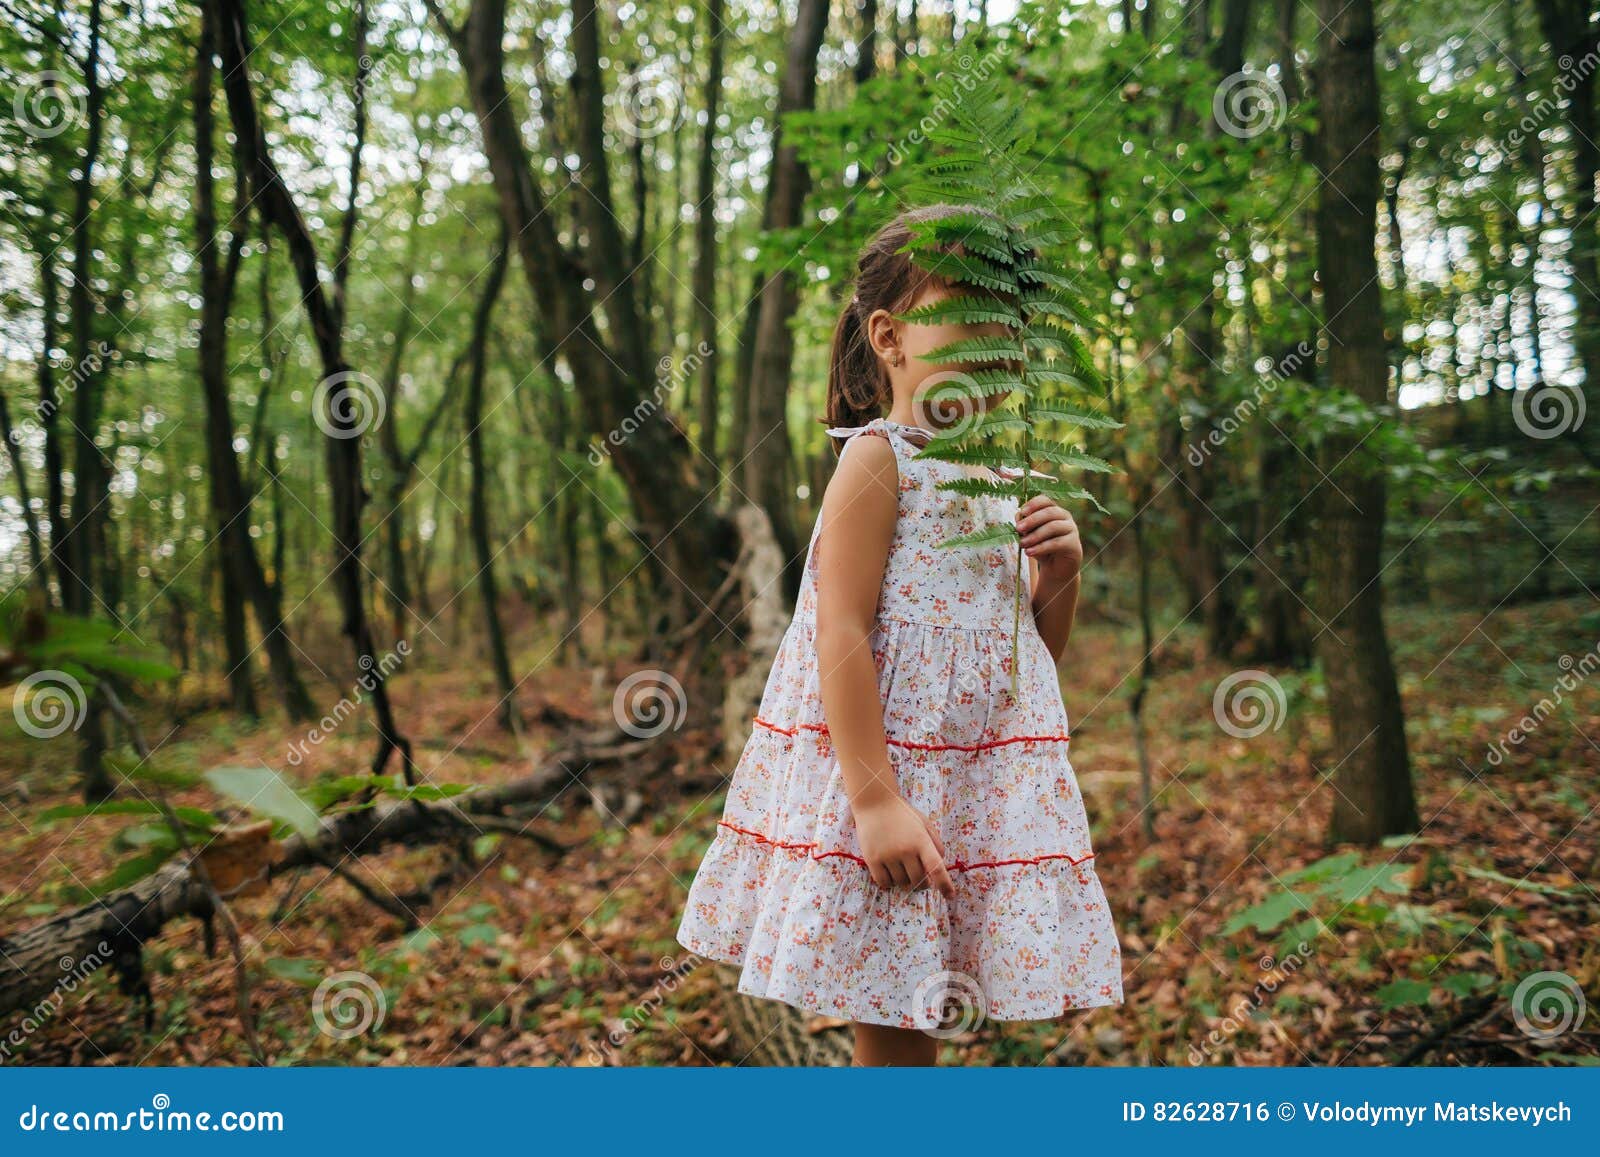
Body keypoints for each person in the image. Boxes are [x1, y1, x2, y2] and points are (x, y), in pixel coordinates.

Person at [676, 204, 1124, 1066]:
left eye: (1010, 333)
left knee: (926, 1001)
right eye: (972, 324)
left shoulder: (998, 478)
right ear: (891, 336)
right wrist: (875, 801)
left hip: (969, 785)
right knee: (894, 1016)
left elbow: (1021, 667)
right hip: (885, 779)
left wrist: (1058, 578)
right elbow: (835, 628)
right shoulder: (879, 459)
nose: (995, 352)